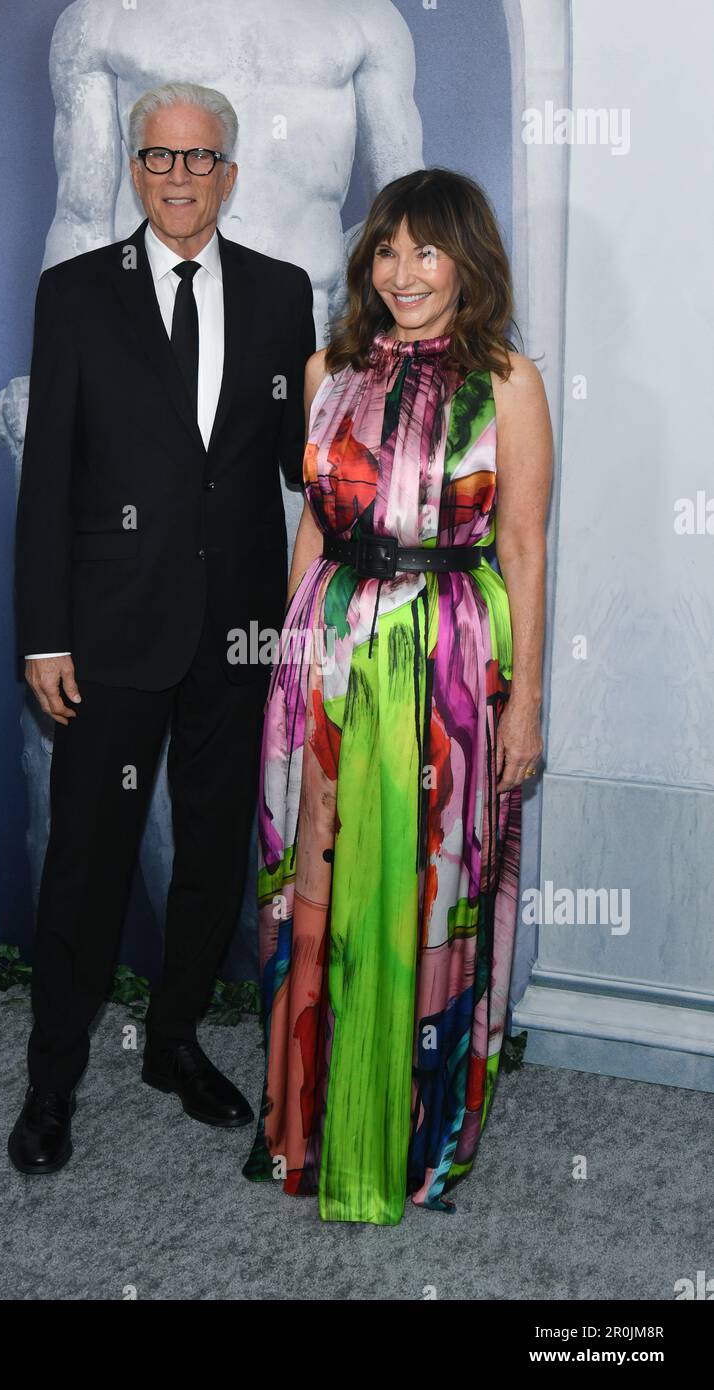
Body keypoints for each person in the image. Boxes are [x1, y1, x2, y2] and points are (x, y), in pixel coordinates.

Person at [8, 82, 315, 1175]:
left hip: (238, 635)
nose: (179, 179)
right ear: (133, 170)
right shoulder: (77, 294)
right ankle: (52, 1081)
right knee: (85, 859)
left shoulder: (284, 297)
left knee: (210, 850)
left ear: (229, 174)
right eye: (158, 159)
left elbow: (304, 467)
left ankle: (174, 1040)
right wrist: (43, 632)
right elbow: (46, 480)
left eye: (199, 161)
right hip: (108, 636)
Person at [242, 167, 552, 1224]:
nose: (404, 272)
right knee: (320, 873)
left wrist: (523, 705)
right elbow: (316, 526)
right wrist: (286, 665)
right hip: (329, 642)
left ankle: (412, 1137)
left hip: (449, 656)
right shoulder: (327, 365)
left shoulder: (505, 379)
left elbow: (519, 543)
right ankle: (307, 1119)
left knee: (425, 885)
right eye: (386, 249)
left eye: (427, 250)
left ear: (467, 261)